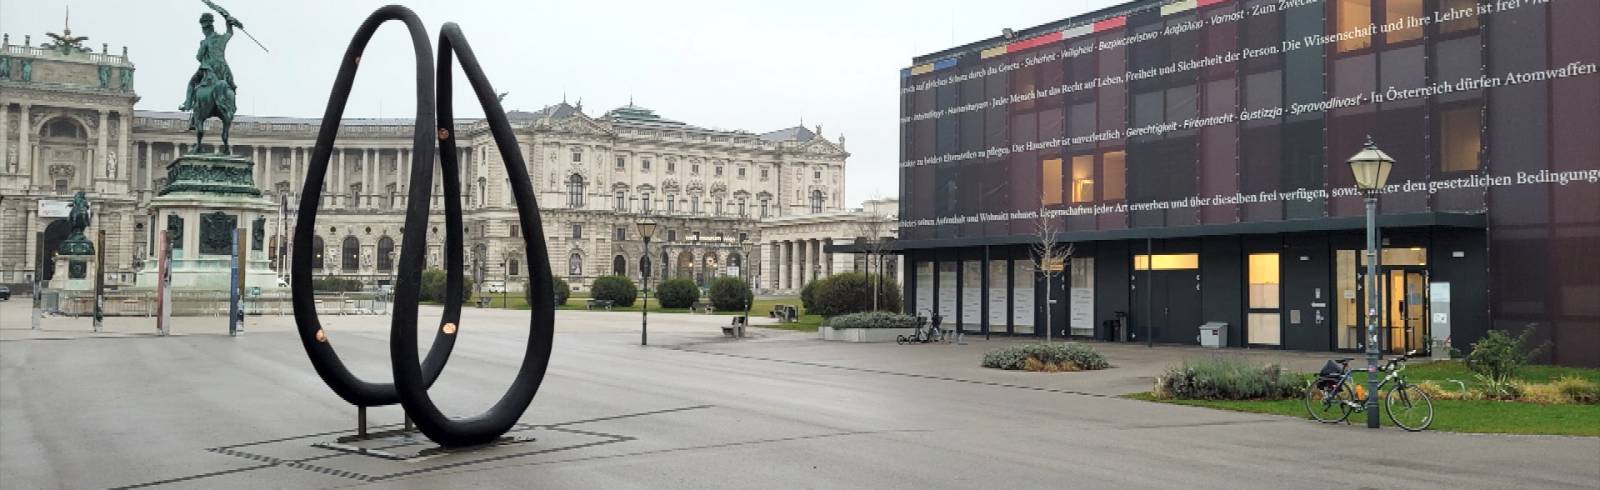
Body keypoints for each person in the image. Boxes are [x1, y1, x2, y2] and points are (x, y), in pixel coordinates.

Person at [178, 12, 239, 117]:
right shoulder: (222, 38)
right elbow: (230, 33)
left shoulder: (206, 41)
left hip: (208, 68)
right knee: (232, 85)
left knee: (192, 83)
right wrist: (229, 23)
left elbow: (199, 57)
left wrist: (203, 47)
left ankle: (187, 103)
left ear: (205, 29)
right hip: (223, 68)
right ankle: (231, 104)